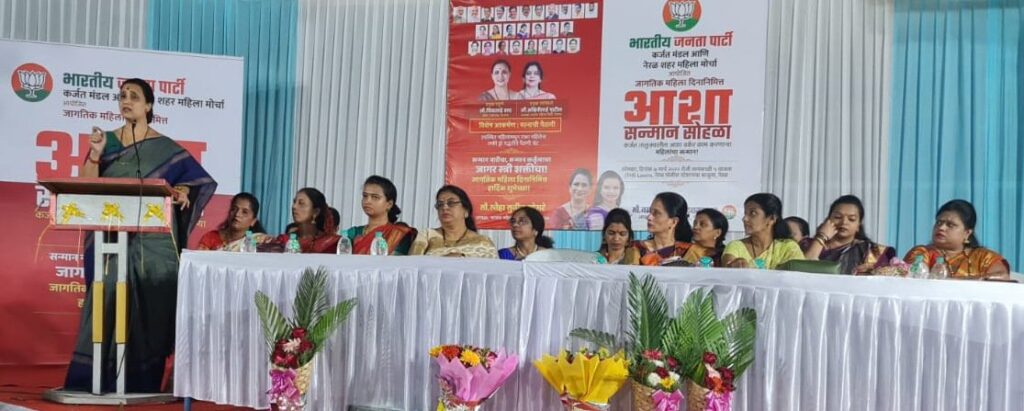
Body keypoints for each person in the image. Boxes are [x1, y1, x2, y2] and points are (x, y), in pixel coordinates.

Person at [66, 78, 217, 393]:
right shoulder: (106, 141)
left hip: (151, 243)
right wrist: (94, 155)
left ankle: (140, 381)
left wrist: (182, 190)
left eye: (134, 96)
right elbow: (87, 184)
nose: (126, 101)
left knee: (148, 304)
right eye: (122, 96)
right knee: (106, 298)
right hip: (110, 238)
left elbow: (194, 182)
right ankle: (93, 380)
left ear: (148, 105)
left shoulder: (166, 148)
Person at [903, 199, 1010, 278]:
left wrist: (958, 282)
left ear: (967, 233)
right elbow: (912, 278)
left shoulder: (984, 257)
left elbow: (1002, 276)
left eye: (950, 225)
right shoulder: (922, 252)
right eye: (939, 222)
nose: (941, 228)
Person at [800, 195, 895, 274]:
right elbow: (801, 271)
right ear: (828, 220)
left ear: (858, 225)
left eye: (851, 219)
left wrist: (873, 271)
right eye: (838, 217)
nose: (844, 222)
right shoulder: (806, 244)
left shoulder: (871, 251)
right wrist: (821, 236)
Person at [410, 185, 498, 258]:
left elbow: (491, 271)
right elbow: (412, 265)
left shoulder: (483, 242)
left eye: (451, 203)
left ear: (466, 211)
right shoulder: (427, 235)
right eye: (440, 204)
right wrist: (443, 261)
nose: (444, 207)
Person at [722, 193, 805, 269]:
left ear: (772, 219)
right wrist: (735, 264)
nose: (745, 219)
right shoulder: (736, 246)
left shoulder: (788, 248)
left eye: (753, 213)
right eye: (745, 213)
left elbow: (797, 275)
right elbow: (728, 271)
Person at [342, 176, 416, 255]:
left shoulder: (398, 234)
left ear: (389, 204)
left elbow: (397, 261)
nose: (367, 201)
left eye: (375, 197)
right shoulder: (353, 233)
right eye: (365, 196)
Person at [634, 192, 695, 266]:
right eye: (650, 212)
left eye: (656, 213)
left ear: (673, 222)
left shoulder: (688, 251)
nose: (649, 217)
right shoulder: (637, 248)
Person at [196, 192, 272, 251]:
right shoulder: (211, 238)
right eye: (234, 209)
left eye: (244, 212)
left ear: (253, 221)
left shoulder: (257, 241)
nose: (237, 214)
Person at [275, 188, 340, 253]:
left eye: (301, 203)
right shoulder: (284, 240)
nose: (294, 206)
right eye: (294, 202)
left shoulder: (332, 243)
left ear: (315, 212)